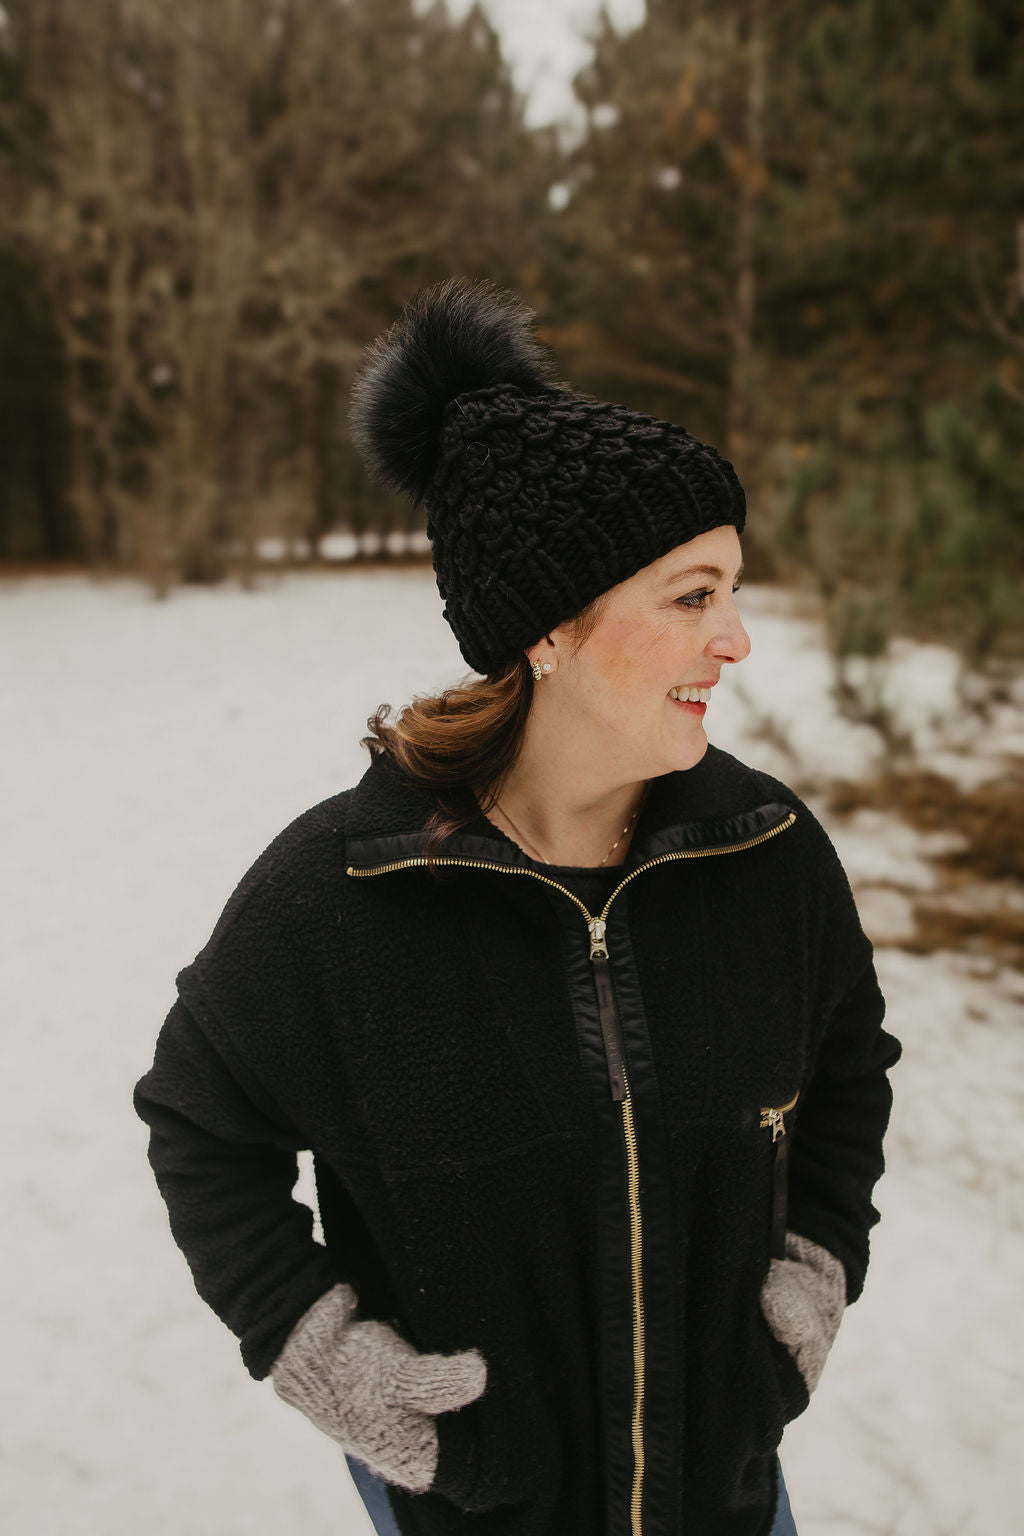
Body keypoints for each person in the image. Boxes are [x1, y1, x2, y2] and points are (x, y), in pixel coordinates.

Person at [134, 279, 901, 1536]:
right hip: (477, 1505)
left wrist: (811, 1279)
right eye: (693, 595)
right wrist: (319, 1346)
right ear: (551, 628)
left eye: (736, 590)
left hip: (725, 1494)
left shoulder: (767, 855)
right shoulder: (344, 895)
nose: (739, 640)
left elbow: (846, 1070)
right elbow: (199, 1121)